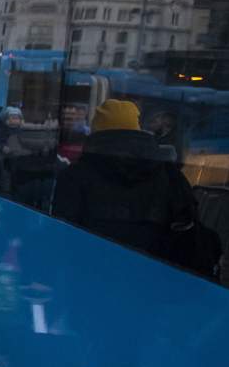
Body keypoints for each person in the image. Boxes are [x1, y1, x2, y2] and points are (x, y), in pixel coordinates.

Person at [53, 99, 208, 272]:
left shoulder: (75, 176)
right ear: (137, 129)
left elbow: (62, 236)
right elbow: (187, 223)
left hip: (91, 275)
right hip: (156, 277)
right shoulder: (169, 174)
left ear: (96, 131)